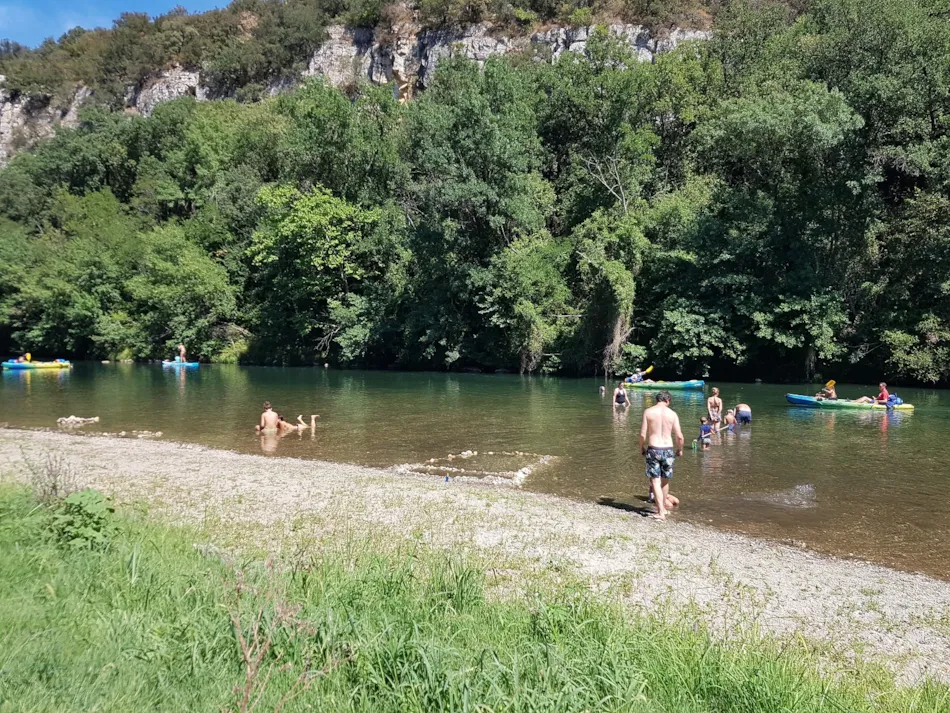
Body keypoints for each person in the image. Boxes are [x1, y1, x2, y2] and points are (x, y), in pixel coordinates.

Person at [639, 391, 684, 521]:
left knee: (655, 481)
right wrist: (680, 449)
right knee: (665, 481)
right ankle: (663, 509)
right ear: (668, 401)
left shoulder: (648, 412)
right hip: (668, 450)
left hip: (654, 449)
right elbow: (679, 436)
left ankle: (660, 513)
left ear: (657, 400)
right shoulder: (673, 414)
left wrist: (641, 447)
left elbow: (642, 434)